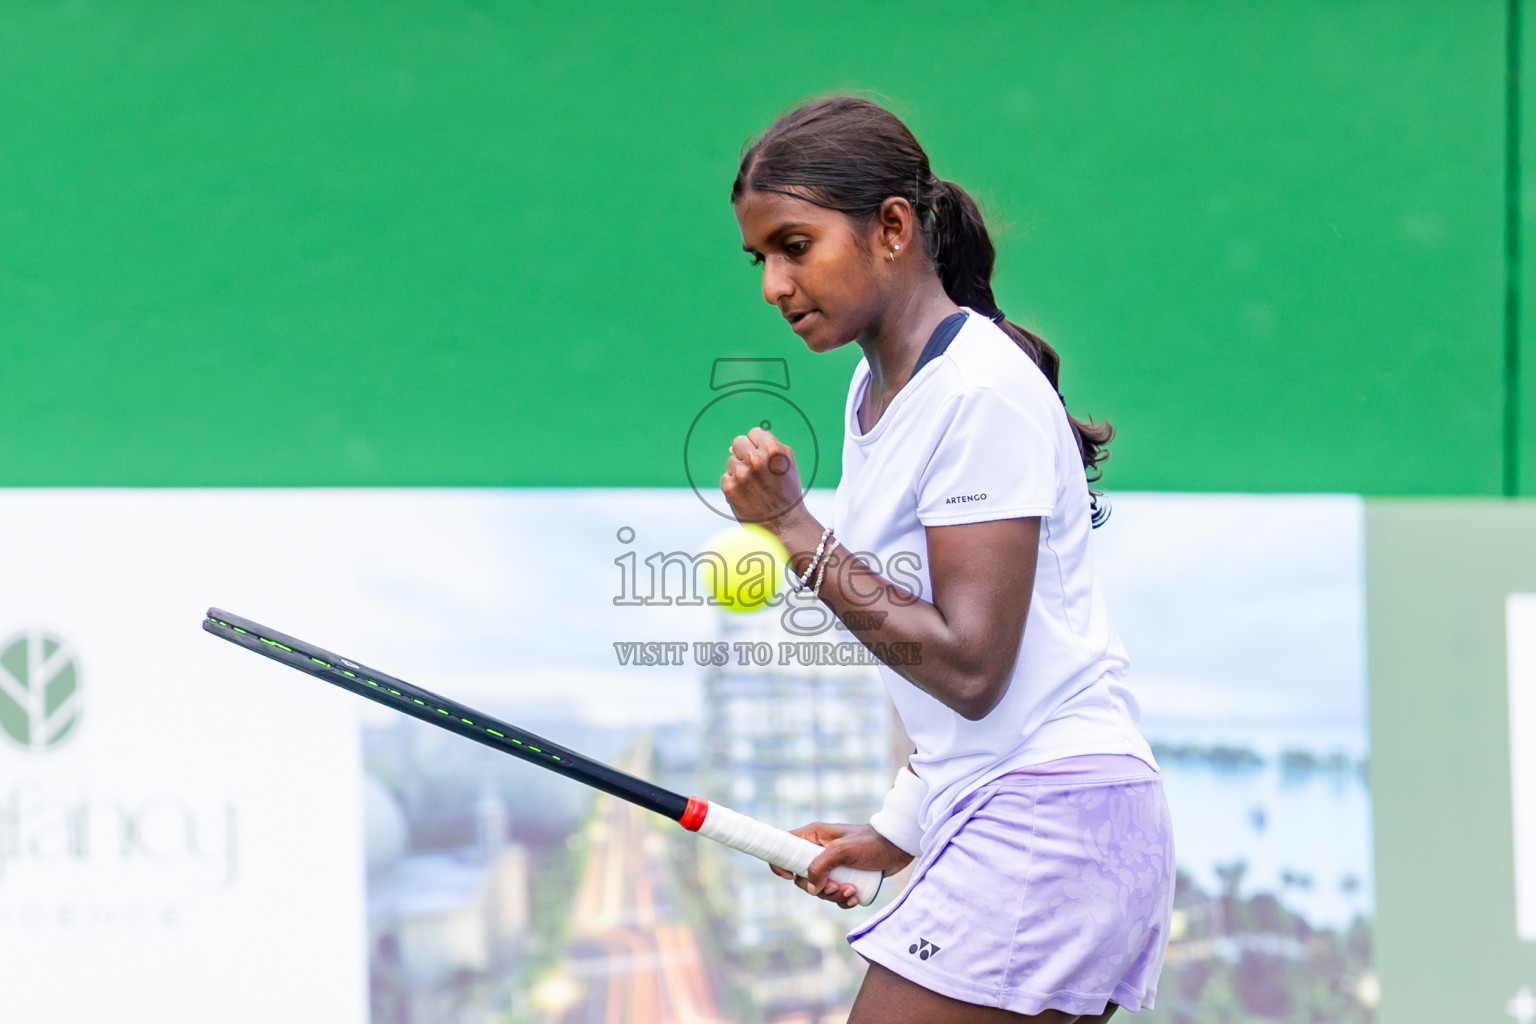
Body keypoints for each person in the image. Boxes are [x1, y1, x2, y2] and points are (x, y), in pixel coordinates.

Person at [719, 97, 1174, 1024]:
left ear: (891, 228)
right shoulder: (870, 389)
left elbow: (971, 667)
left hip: (1056, 823)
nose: (772, 283)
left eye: (794, 245)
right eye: (759, 257)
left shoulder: (979, 392)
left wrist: (795, 530)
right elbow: (969, 703)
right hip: (1024, 814)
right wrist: (895, 833)